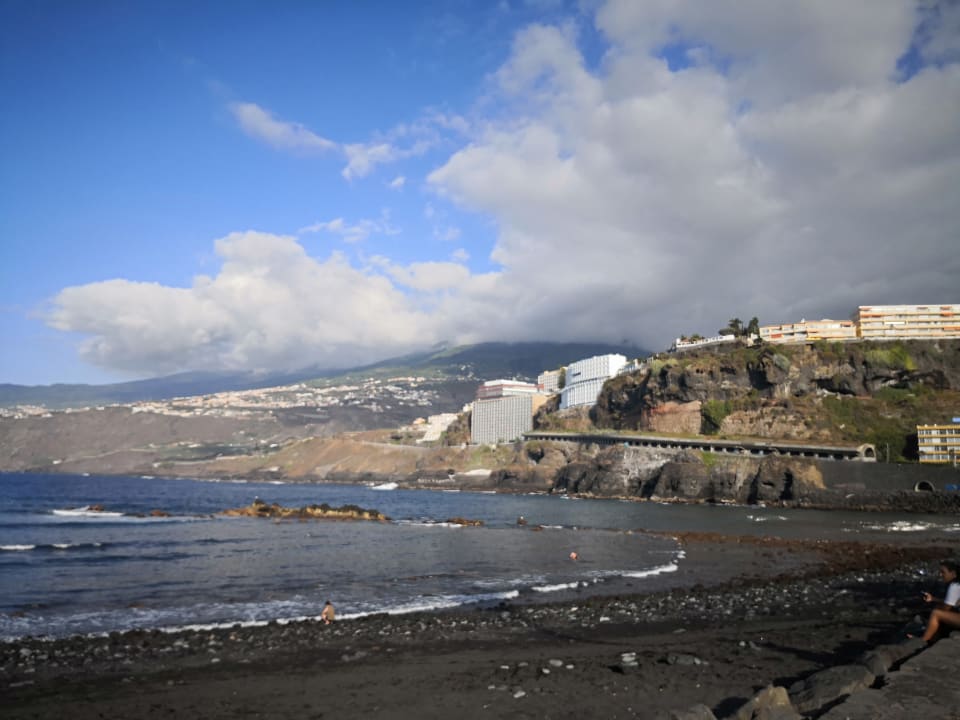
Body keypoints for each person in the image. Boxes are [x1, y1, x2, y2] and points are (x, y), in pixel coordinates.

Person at [917, 559, 960, 643]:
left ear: (953, 573)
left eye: (943, 572)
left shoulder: (954, 586)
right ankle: (933, 637)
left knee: (936, 613)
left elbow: (946, 608)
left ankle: (923, 641)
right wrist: (933, 599)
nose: (941, 575)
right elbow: (951, 602)